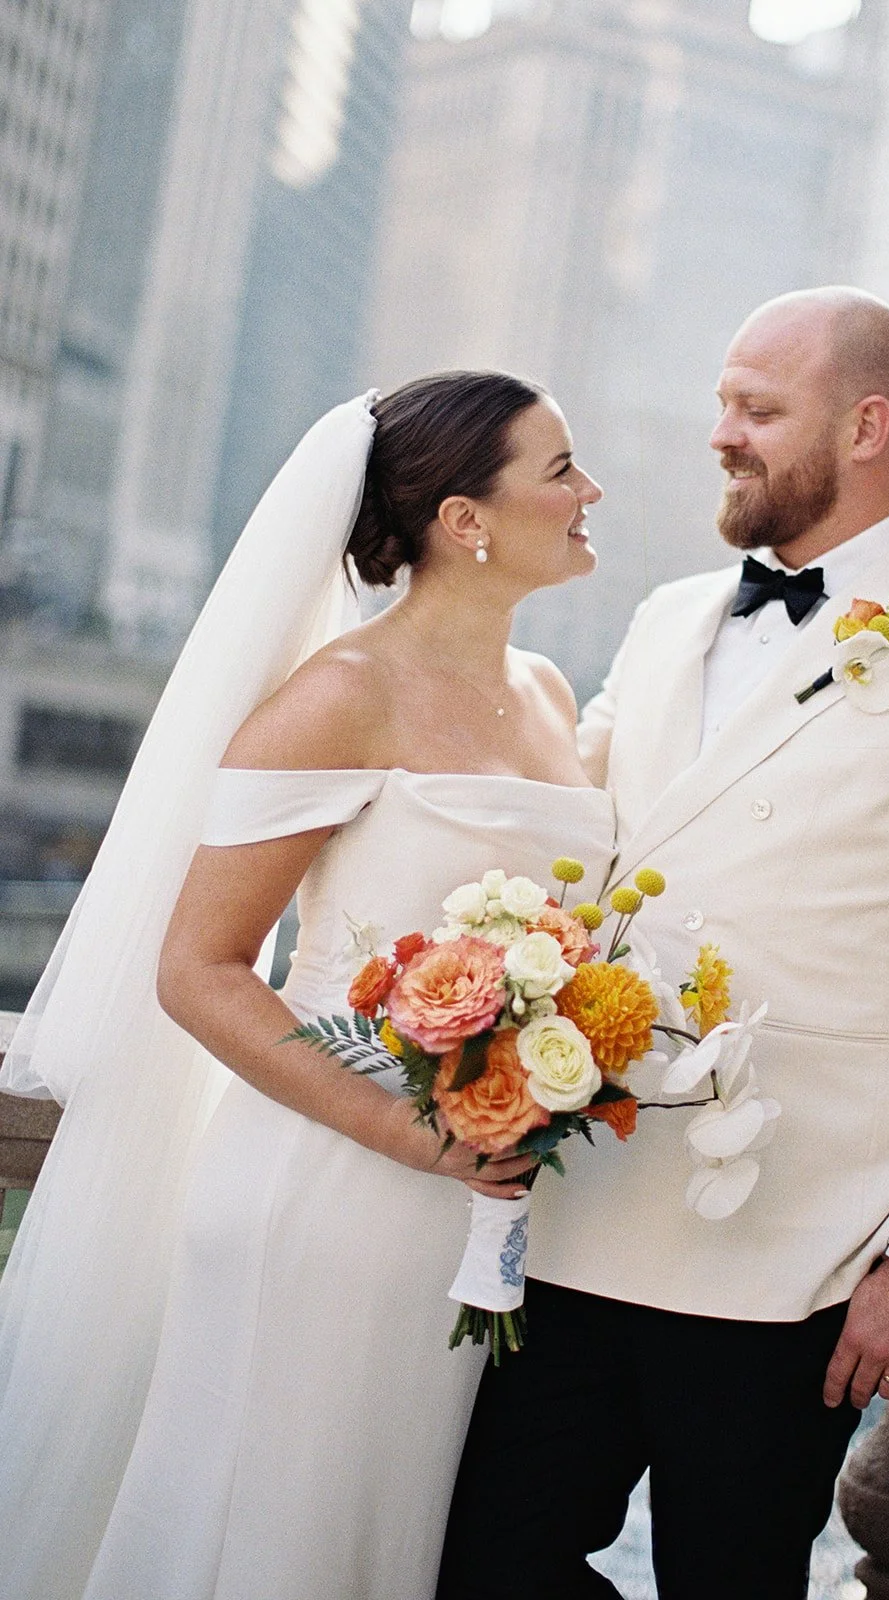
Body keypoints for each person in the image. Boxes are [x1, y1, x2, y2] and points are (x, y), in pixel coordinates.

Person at [437, 288, 889, 1599]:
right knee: (482, 1560)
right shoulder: (671, 614)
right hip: (582, 1201)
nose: (722, 434)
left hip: (800, 1247)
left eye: (757, 408)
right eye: (721, 402)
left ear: (866, 426)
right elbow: (572, 826)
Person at [0, 372, 610, 1600]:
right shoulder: (341, 695)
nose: (589, 492)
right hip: (326, 1192)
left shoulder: (549, 696)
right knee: (271, 1541)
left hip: (474, 1207)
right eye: (559, 469)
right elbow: (198, 968)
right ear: (464, 520)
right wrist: (405, 1128)